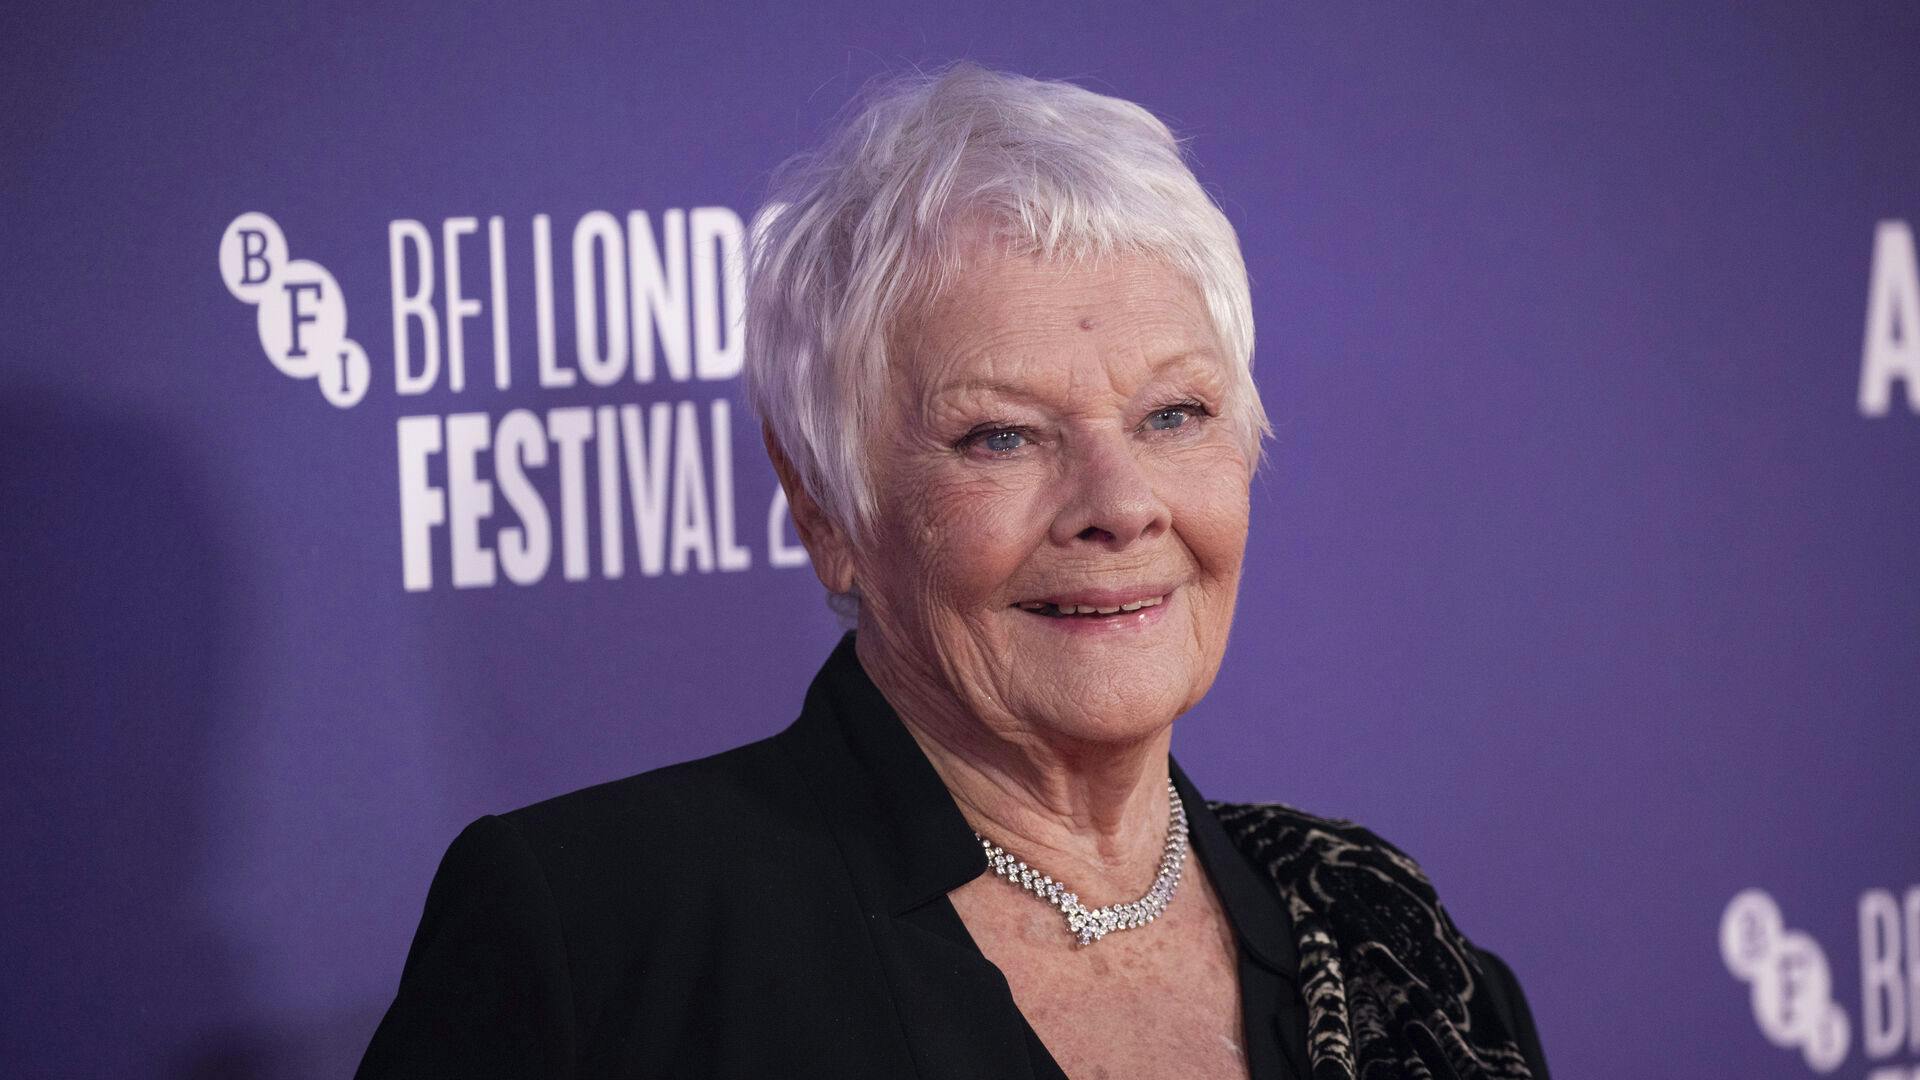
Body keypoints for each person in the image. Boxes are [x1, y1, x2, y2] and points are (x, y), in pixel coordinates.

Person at [357, 63, 1551, 1080]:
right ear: (828, 506)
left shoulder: (1390, 943)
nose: (1119, 505)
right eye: (1002, 436)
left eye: (1175, 414)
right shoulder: (600, 945)